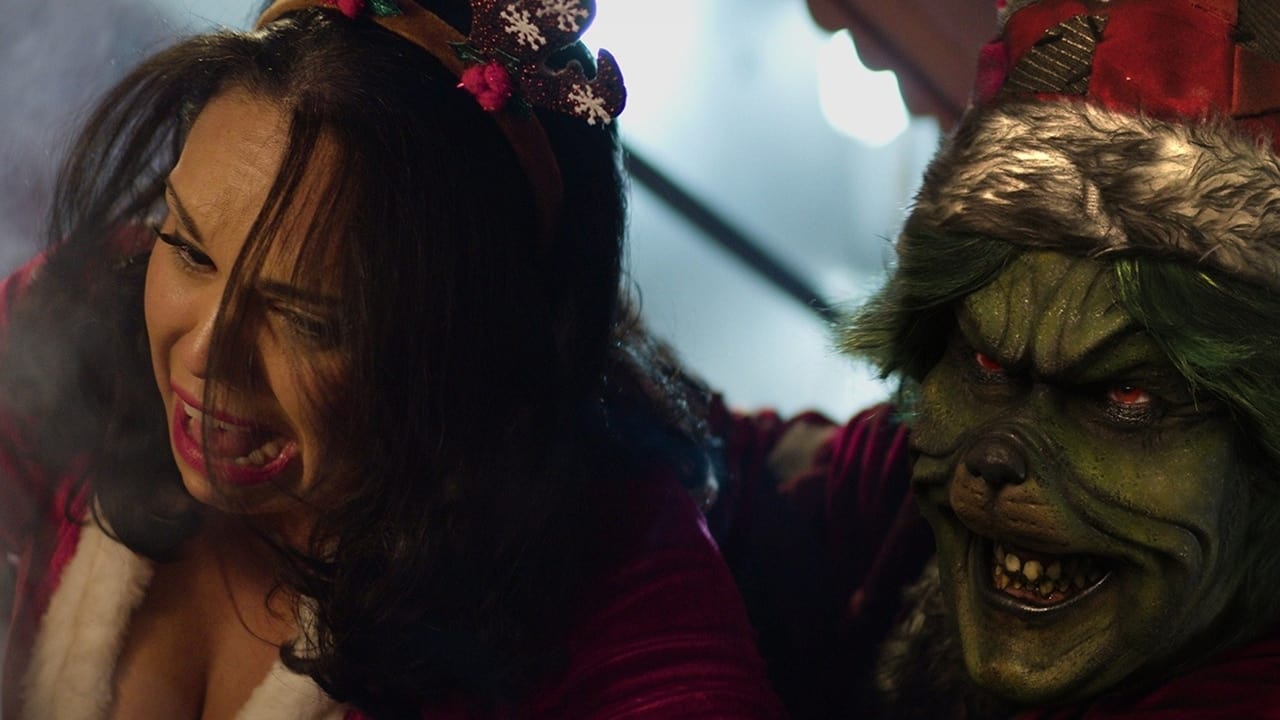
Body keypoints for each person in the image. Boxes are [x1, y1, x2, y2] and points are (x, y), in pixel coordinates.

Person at [0, 0, 785, 717]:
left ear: (474, 351)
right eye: (190, 250)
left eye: (311, 319)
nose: (206, 353)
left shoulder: (612, 562)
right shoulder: (87, 310)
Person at [712, 0, 1280, 717]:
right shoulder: (906, 474)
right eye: (984, 365)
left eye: (1126, 398)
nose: (997, 457)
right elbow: (727, 472)